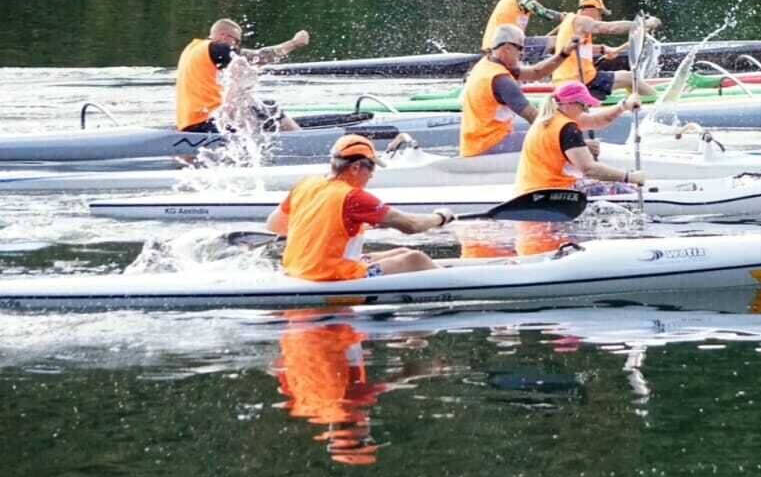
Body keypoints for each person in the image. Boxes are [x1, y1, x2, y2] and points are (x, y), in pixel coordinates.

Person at [266, 134, 456, 280]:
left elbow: (276, 225)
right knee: (415, 259)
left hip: (299, 268)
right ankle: (458, 283)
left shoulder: (306, 183)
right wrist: (440, 217)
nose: (372, 175)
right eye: (371, 168)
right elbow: (412, 225)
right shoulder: (353, 197)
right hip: (328, 277)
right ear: (356, 167)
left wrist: (336, 225)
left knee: (402, 252)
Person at [449, 24, 583, 157]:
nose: (523, 53)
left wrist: (564, 53)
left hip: (476, 143)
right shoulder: (501, 80)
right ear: (506, 49)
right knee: (555, 140)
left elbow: (536, 72)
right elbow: (535, 118)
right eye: (520, 48)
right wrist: (573, 140)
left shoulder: (488, 63)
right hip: (489, 146)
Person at [175, 18, 310, 132]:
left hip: (189, 122)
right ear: (224, 36)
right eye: (236, 41)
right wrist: (294, 44)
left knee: (254, 108)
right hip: (208, 124)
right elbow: (259, 57)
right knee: (271, 108)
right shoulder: (217, 48)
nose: (236, 45)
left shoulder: (192, 48)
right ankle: (301, 138)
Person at [513, 80, 647, 195]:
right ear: (570, 103)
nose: (586, 110)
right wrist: (629, 177)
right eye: (584, 105)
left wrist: (623, 106)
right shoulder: (567, 127)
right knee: (628, 189)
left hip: (530, 189)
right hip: (555, 191)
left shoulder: (549, 118)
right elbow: (589, 169)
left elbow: (596, 120)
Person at [550, 0, 661, 101]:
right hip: (580, 81)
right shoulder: (581, 21)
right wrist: (642, 24)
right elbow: (610, 28)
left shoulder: (570, 23)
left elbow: (577, 48)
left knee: (625, 78)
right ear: (591, 10)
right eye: (600, 13)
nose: (600, 17)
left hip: (562, 81)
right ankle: (658, 102)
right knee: (629, 77)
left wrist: (603, 49)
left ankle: (634, 98)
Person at [481, 0, 564, 50]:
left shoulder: (518, 2)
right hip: (500, 45)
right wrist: (562, 16)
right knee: (556, 41)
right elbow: (542, 12)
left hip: (505, 43)